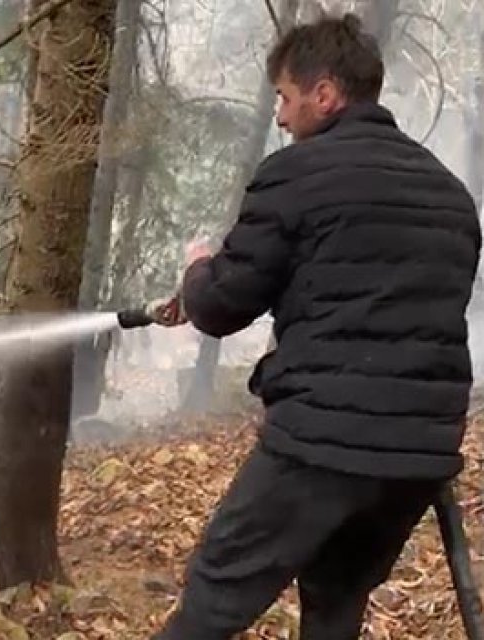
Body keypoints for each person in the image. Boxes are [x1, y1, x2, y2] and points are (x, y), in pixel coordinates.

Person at [145, 13, 481, 639]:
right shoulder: (450, 195)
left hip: (321, 445)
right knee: (336, 600)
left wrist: (198, 272)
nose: (279, 115)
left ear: (324, 95)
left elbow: (221, 306)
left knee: (215, 599)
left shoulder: (296, 175)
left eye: (285, 97)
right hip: (419, 457)